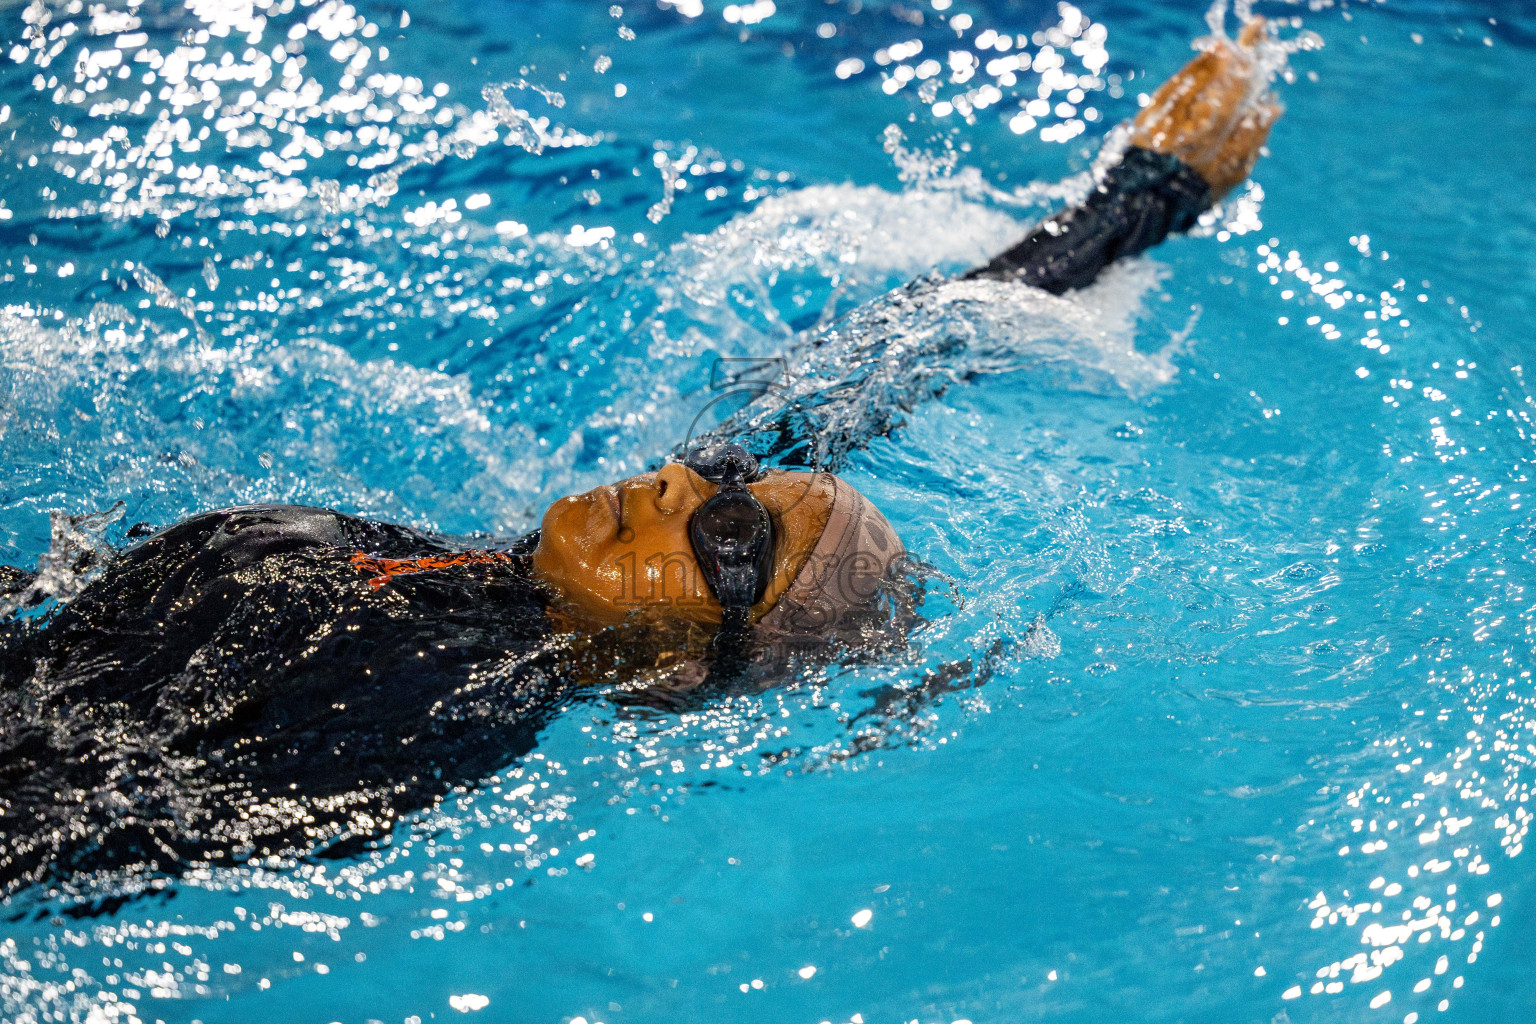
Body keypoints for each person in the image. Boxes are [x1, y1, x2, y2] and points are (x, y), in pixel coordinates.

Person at [0, 19, 1282, 896]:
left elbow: (79, 815)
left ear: (680, 670)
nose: (685, 485)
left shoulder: (432, 699)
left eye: (730, 536)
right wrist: (1145, 196)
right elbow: (892, 362)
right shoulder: (510, 573)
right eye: (720, 474)